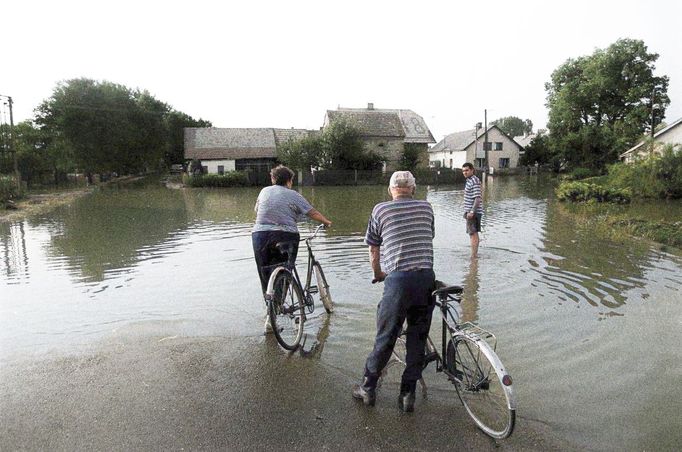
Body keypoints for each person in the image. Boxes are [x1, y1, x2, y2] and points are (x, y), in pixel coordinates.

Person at [352, 171, 436, 413]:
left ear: (391, 190)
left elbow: (373, 250)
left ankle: (368, 388)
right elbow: (427, 237)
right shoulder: (427, 208)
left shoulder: (381, 210)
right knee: (417, 339)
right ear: (413, 188)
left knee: (386, 336)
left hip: (398, 281)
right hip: (426, 278)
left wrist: (378, 274)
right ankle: (407, 396)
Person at [252, 165, 332, 330]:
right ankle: (284, 304)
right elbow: (311, 212)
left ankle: (270, 318)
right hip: (285, 236)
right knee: (285, 270)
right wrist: (325, 221)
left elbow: (258, 210)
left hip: (259, 235)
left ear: (273, 179)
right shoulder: (293, 194)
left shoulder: (264, 191)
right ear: (289, 181)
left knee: (266, 275)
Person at [462, 162, 483, 258]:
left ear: (472, 170)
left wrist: (472, 211)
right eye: (463, 171)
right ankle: (474, 255)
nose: (464, 172)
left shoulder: (474, 181)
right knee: (473, 234)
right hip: (470, 212)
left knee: (473, 234)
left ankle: (474, 256)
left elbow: (477, 198)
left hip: (473, 213)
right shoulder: (470, 180)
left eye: (467, 170)